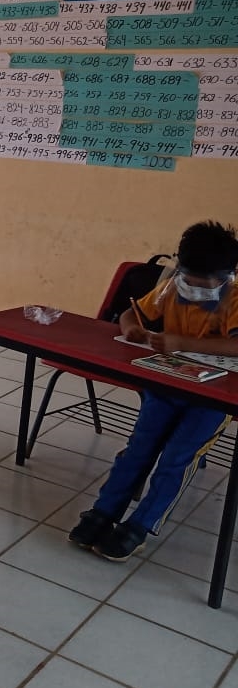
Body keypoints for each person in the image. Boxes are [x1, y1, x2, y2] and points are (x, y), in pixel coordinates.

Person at [69, 220, 238, 562]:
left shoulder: (234, 297)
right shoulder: (172, 287)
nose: (192, 287)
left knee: (176, 459)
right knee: (138, 449)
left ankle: (141, 525)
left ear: (226, 275)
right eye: (187, 276)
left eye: (203, 283)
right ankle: (104, 511)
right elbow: (133, 312)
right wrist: (131, 328)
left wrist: (181, 342)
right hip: (166, 384)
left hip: (213, 398)